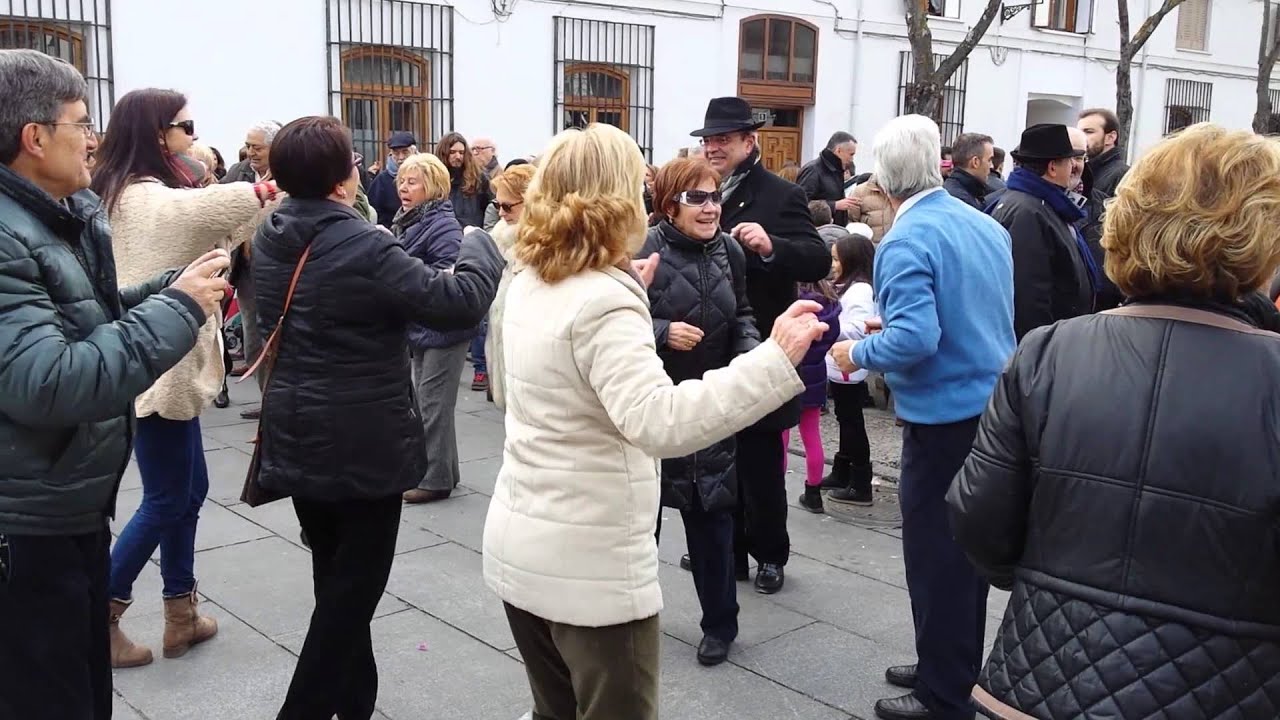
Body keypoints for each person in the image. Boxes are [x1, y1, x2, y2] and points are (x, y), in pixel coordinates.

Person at [482, 123, 829, 720]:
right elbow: (662, 422)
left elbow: (519, 393)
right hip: (590, 569)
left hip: (523, 547)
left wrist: (628, 292)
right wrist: (774, 359)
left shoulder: (533, 278)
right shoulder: (601, 297)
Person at [949, 123, 1280, 720]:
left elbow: (980, 520)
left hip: (1041, 679)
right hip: (1228, 689)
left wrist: (1052, 581)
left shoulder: (1049, 351)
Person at [0, 48, 230, 720]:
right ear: (34, 138)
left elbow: (82, 323)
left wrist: (169, 289)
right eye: (80, 121)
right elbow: (48, 382)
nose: (93, 137)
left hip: (66, 503)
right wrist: (178, 309)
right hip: (25, 528)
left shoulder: (57, 212)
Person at [252, 116, 501, 720]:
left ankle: (355, 705)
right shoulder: (363, 241)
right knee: (351, 596)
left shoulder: (271, 231)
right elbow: (458, 301)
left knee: (333, 579)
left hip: (297, 431)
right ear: (346, 176)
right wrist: (479, 243)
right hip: (361, 441)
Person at [828, 114, 1014, 720]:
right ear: (939, 163)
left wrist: (854, 350)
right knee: (961, 558)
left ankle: (943, 693)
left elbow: (915, 341)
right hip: (991, 410)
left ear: (882, 181)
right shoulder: (983, 225)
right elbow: (970, 316)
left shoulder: (907, 239)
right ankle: (946, 662)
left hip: (943, 421)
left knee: (936, 555)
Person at [90, 88, 280, 668]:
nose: (193, 135)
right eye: (184, 125)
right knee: (170, 495)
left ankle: (181, 612)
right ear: (156, 135)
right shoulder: (149, 200)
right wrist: (277, 181)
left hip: (150, 359)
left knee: (185, 491)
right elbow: (226, 205)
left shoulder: (116, 193)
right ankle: (101, 614)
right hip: (159, 364)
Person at [693, 96, 831, 594]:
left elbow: (817, 258)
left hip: (761, 341)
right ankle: (727, 550)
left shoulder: (780, 194)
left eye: (722, 140)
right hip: (709, 343)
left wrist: (771, 246)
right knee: (713, 451)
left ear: (750, 143)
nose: (712, 148)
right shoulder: (698, 189)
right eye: (708, 140)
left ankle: (770, 552)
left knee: (759, 457)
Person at [639, 156, 762, 667]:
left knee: (712, 521)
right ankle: (633, 622)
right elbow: (612, 323)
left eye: (715, 197)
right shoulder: (644, 250)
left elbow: (745, 314)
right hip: (654, 405)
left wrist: (751, 354)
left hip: (711, 406)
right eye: (697, 198)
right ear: (670, 205)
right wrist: (663, 331)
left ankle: (720, 626)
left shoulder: (730, 251)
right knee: (643, 526)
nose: (711, 208)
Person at [391, 152, 477, 504]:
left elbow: (446, 271)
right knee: (431, 401)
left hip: (443, 326)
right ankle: (446, 471)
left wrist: (404, 269)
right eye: (401, 182)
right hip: (425, 324)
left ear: (434, 185)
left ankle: (434, 479)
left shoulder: (440, 223)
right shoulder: (412, 219)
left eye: (412, 182)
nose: (403, 188)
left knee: (432, 404)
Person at [988, 124, 1094, 340]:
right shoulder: (1029, 213)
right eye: (1069, 160)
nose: (1074, 166)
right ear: (1053, 168)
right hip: (1042, 348)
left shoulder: (1044, 205)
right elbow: (1028, 298)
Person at [221, 119, 283, 420]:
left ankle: (280, 401)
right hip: (244, 271)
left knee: (278, 336)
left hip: (277, 271)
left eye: (257, 147)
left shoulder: (289, 175)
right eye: (248, 146)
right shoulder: (238, 173)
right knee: (253, 336)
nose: (250, 152)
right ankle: (266, 400)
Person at [822, 230, 878, 506]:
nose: (833, 265)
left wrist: (827, 327)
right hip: (840, 363)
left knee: (852, 421)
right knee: (846, 419)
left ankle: (860, 483)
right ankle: (842, 471)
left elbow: (858, 327)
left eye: (837, 259)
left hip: (849, 364)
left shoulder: (860, 290)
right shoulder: (850, 285)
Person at [783, 279, 841, 514]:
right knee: (812, 434)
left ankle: (777, 489)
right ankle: (814, 492)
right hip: (816, 373)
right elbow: (833, 334)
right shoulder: (828, 299)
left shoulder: (790, 298)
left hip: (788, 370)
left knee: (782, 436)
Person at [484, 161, 536, 409]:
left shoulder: (543, 246)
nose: (501, 213)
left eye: (507, 206)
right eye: (497, 205)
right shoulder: (500, 236)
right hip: (504, 342)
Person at [1077, 108, 1129, 310]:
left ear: (1110, 137)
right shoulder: (1088, 171)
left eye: (1089, 132)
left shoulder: (1121, 175)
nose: (1083, 137)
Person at [798, 131, 860, 226]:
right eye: (851, 154)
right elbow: (800, 203)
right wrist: (835, 205)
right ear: (838, 151)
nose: (852, 159)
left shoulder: (836, 170)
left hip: (834, 229)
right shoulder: (813, 170)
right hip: (817, 230)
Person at [435, 131, 492, 230]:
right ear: (444, 153)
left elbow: (490, 207)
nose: (458, 156)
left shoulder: (478, 178)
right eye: (452, 152)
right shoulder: (434, 179)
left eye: (461, 152)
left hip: (472, 235)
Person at [367, 131, 416, 227]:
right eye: (396, 153)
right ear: (391, 154)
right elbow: (372, 212)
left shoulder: (426, 176)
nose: (401, 157)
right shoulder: (381, 180)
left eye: (405, 152)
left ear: (414, 151)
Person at [942, 132, 994, 210]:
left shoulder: (967, 192)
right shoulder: (963, 202)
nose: (992, 166)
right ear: (975, 162)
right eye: (989, 160)